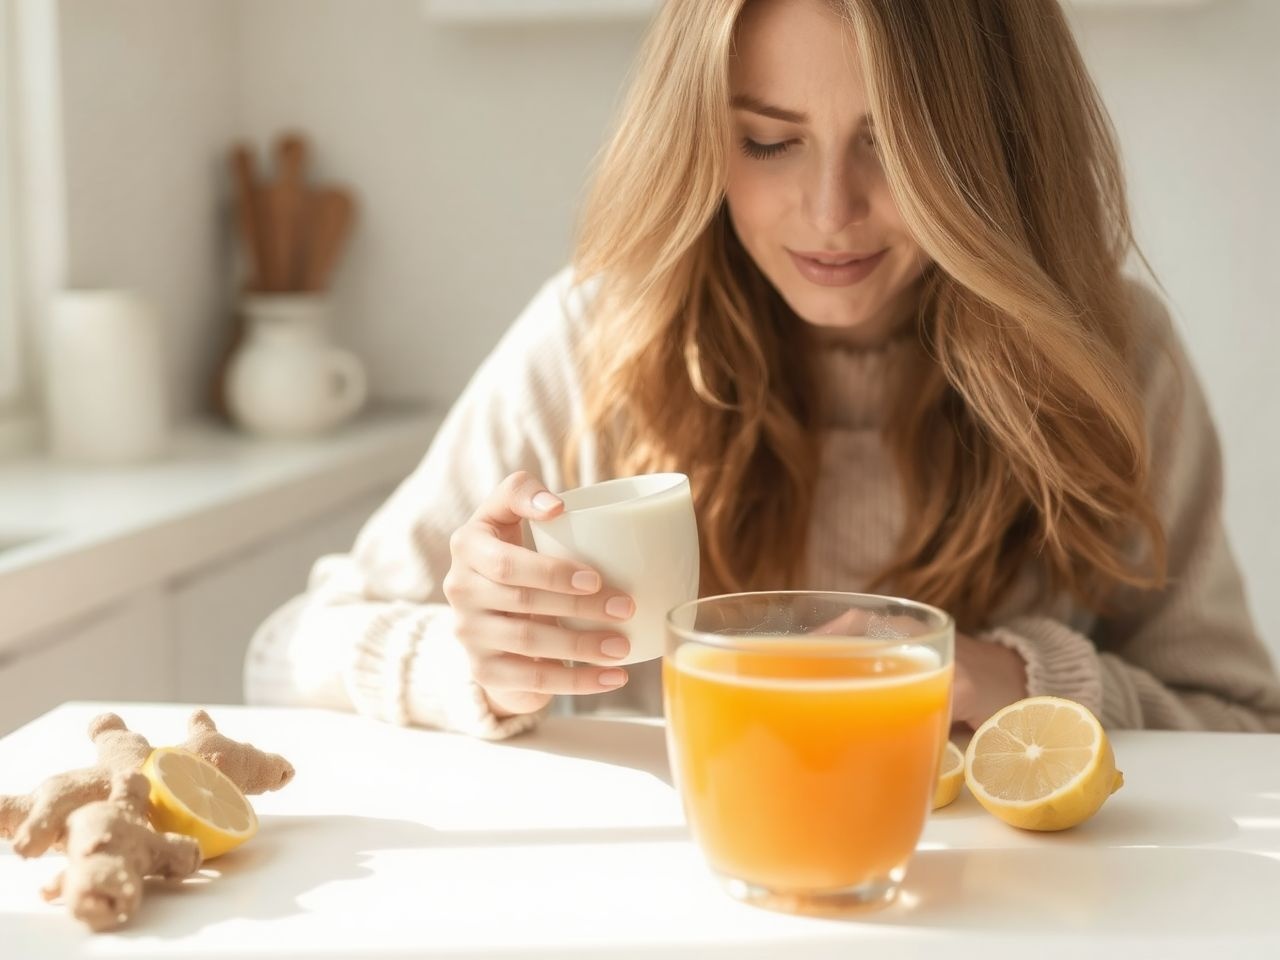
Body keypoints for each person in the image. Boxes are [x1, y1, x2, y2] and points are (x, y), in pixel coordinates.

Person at [244, 0, 1280, 740]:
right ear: (698, 136)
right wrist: (472, 659)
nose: (831, 214)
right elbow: (286, 656)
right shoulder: (604, 332)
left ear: (995, 151)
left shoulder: (1109, 351)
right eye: (768, 141)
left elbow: (1242, 723)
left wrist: (1020, 680)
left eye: (896, 146)